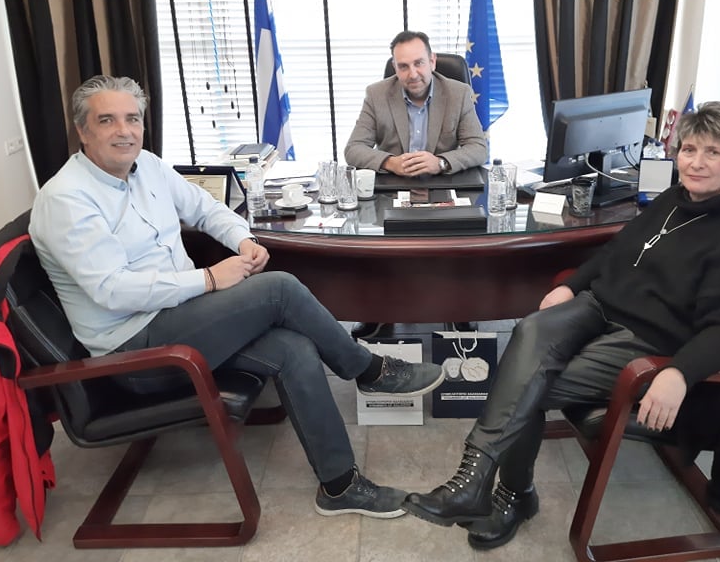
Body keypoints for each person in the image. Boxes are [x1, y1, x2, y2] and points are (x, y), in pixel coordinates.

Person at [29, 74, 445, 520]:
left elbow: (205, 207)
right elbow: (113, 291)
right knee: (280, 289)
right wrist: (210, 279)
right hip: (135, 352)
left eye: (133, 119)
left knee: (293, 347)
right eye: (107, 120)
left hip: (177, 318)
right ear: (83, 131)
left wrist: (243, 239)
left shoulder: (145, 165)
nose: (124, 131)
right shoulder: (67, 199)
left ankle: (340, 485)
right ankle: (369, 370)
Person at [401, 101, 720, 549]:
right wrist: (572, 285)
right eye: (689, 149)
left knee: (525, 384)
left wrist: (680, 372)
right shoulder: (672, 200)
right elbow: (615, 254)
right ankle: (476, 482)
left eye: (712, 152)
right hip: (598, 306)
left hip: (646, 339)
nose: (696, 163)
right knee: (529, 331)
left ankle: (506, 492)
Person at [344, 30, 488, 338]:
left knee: (461, 242)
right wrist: (389, 161)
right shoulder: (377, 94)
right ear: (394, 68)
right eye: (403, 66)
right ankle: (377, 311)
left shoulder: (458, 93)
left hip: (445, 186)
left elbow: (478, 147)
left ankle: (459, 308)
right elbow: (353, 149)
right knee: (374, 245)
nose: (413, 73)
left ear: (432, 61)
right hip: (393, 189)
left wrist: (442, 162)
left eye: (419, 63)